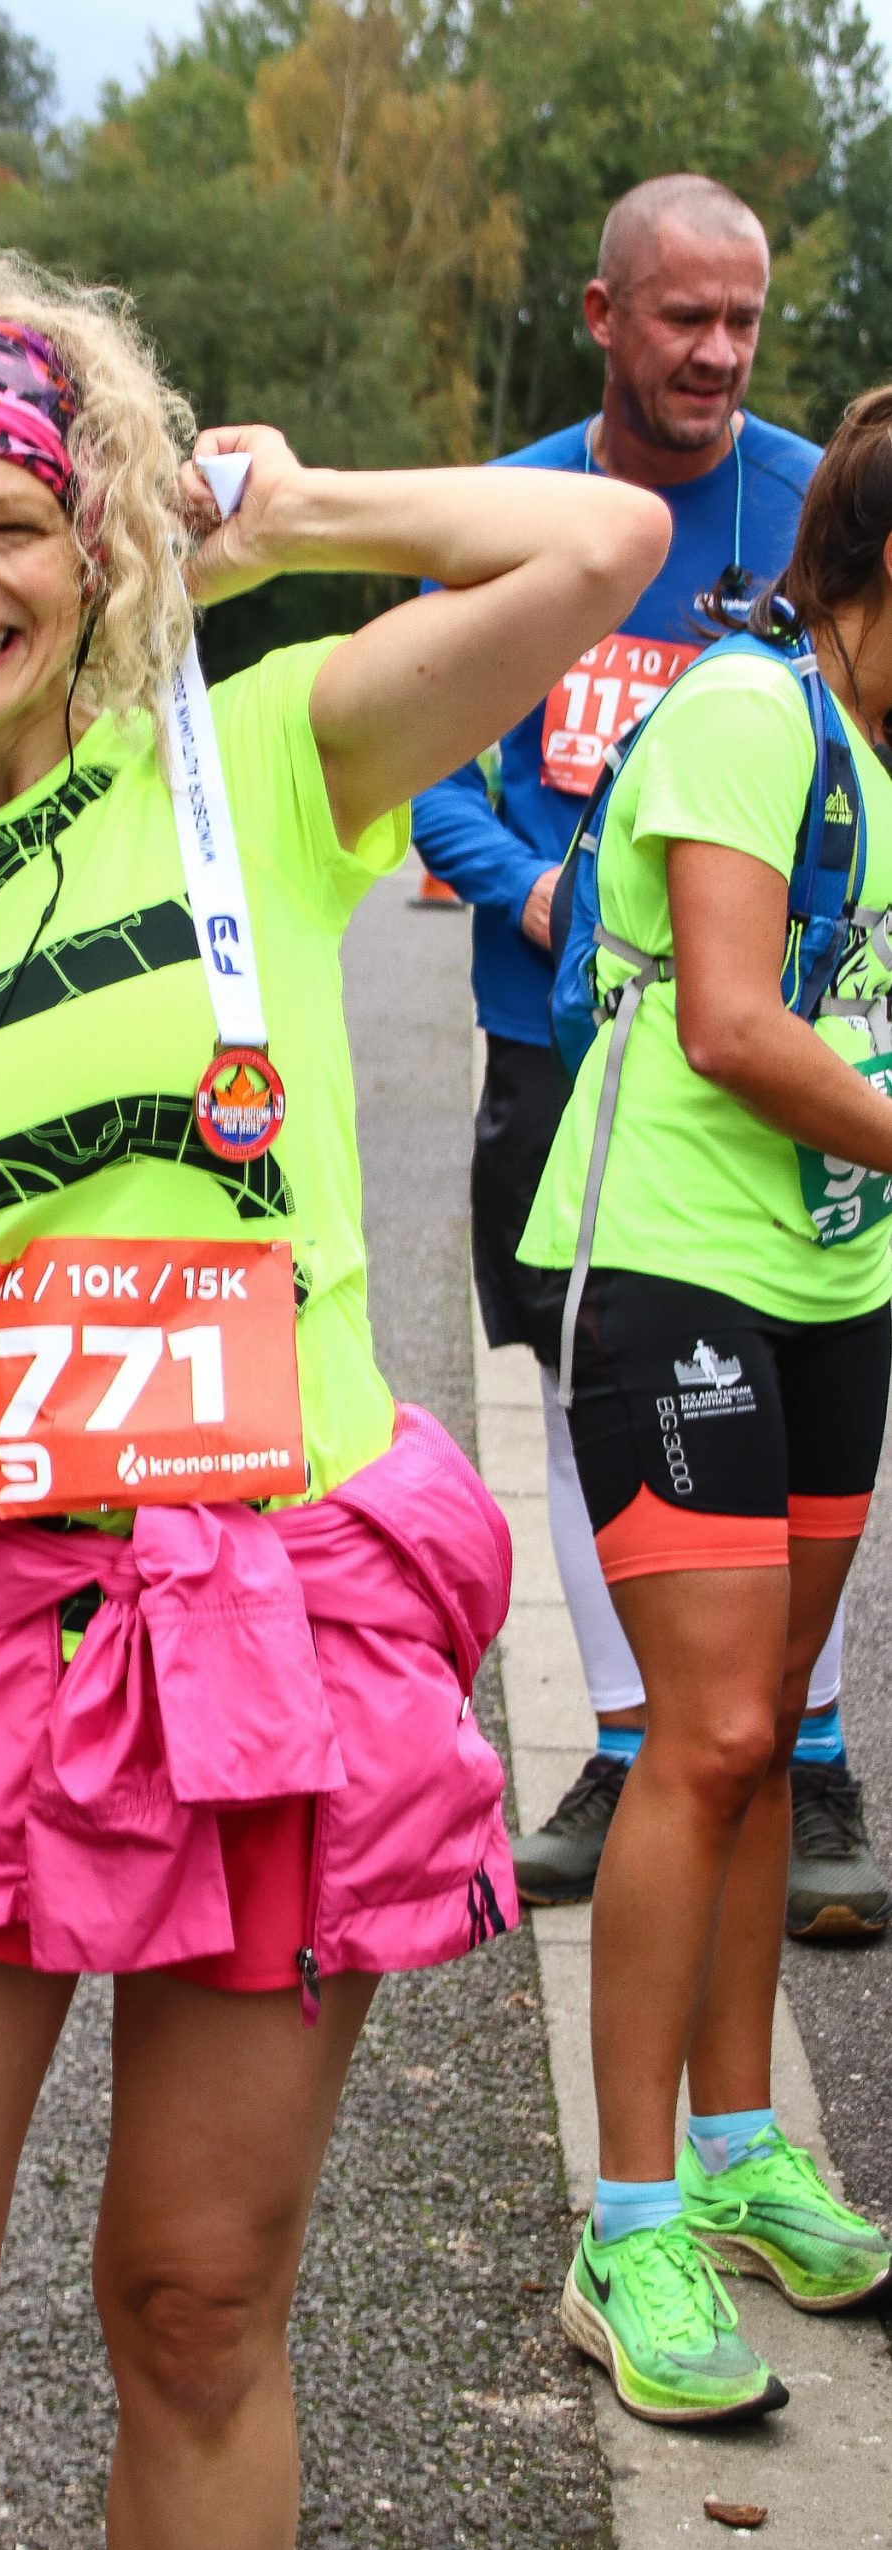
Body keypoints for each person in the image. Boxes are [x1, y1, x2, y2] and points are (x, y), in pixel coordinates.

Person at [0, 246, 669, 2550]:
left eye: (13, 518)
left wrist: (287, 520)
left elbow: (600, 542)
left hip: (276, 1616)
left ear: (94, 535)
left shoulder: (258, 757)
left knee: (194, 2305)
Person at [412, 172, 890, 1940]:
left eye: (744, 320)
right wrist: (533, 888)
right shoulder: (518, 509)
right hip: (561, 1027)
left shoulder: (810, 502)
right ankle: (627, 1746)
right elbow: (427, 763)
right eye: (684, 316)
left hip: (781, 1042)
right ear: (604, 317)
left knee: (807, 1390)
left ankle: (809, 1755)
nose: (718, 351)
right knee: (583, 1385)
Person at [519, 387, 892, 2426]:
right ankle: (630, 2220)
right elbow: (738, 1023)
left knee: (767, 1740)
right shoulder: (755, 713)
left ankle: (743, 2154)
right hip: (671, 1259)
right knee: (712, 1730)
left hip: (836, 1279)